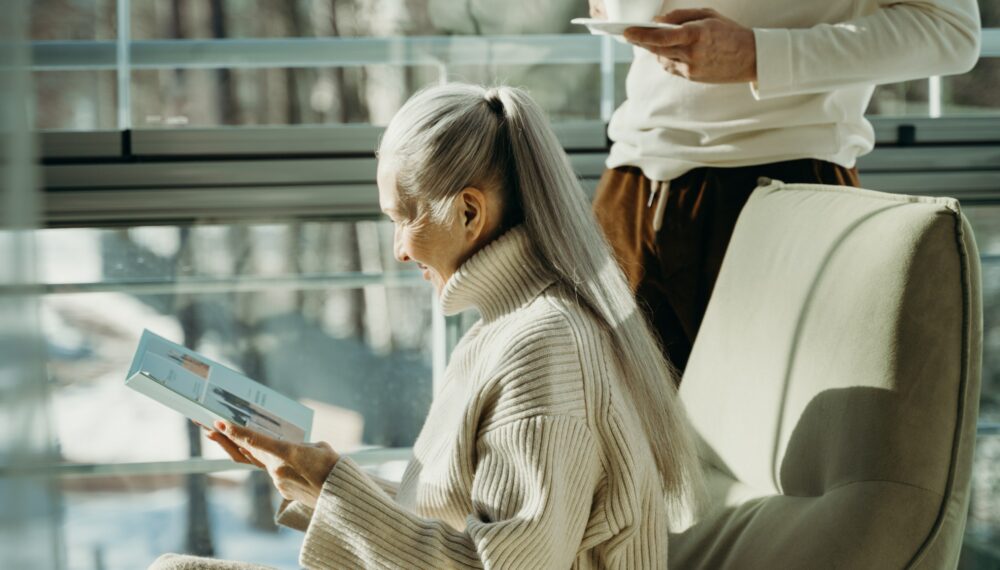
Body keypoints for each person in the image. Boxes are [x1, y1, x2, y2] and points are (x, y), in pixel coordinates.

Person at [150, 84, 704, 570]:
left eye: (402, 219)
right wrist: (320, 487)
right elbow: (463, 524)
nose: (397, 251)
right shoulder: (507, 330)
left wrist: (332, 489)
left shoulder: (545, 349)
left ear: (468, 212)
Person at [588, 0, 981, 375]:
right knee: (606, 432)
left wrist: (760, 54)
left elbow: (951, 30)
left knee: (771, 438)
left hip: (785, 188)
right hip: (630, 185)